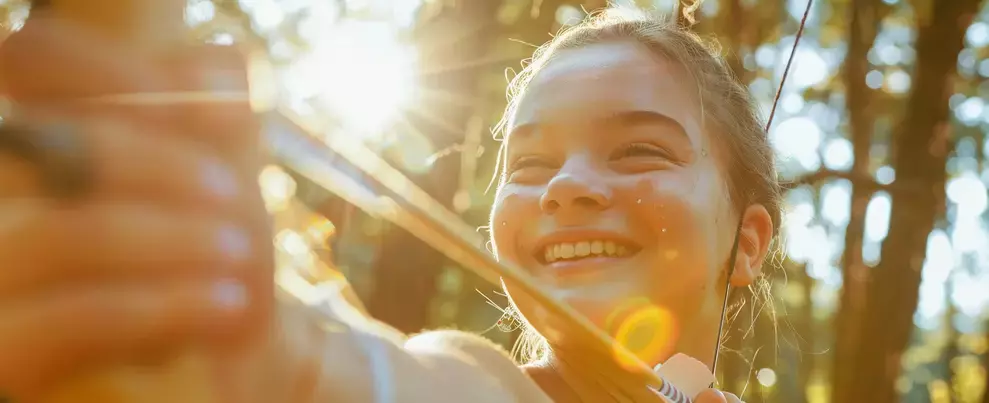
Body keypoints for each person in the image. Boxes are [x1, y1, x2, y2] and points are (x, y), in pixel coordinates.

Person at [0, 4, 778, 403]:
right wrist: (273, 351)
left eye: (639, 150)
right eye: (530, 162)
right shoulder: (486, 385)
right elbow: (384, 380)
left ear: (747, 242)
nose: (564, 186)